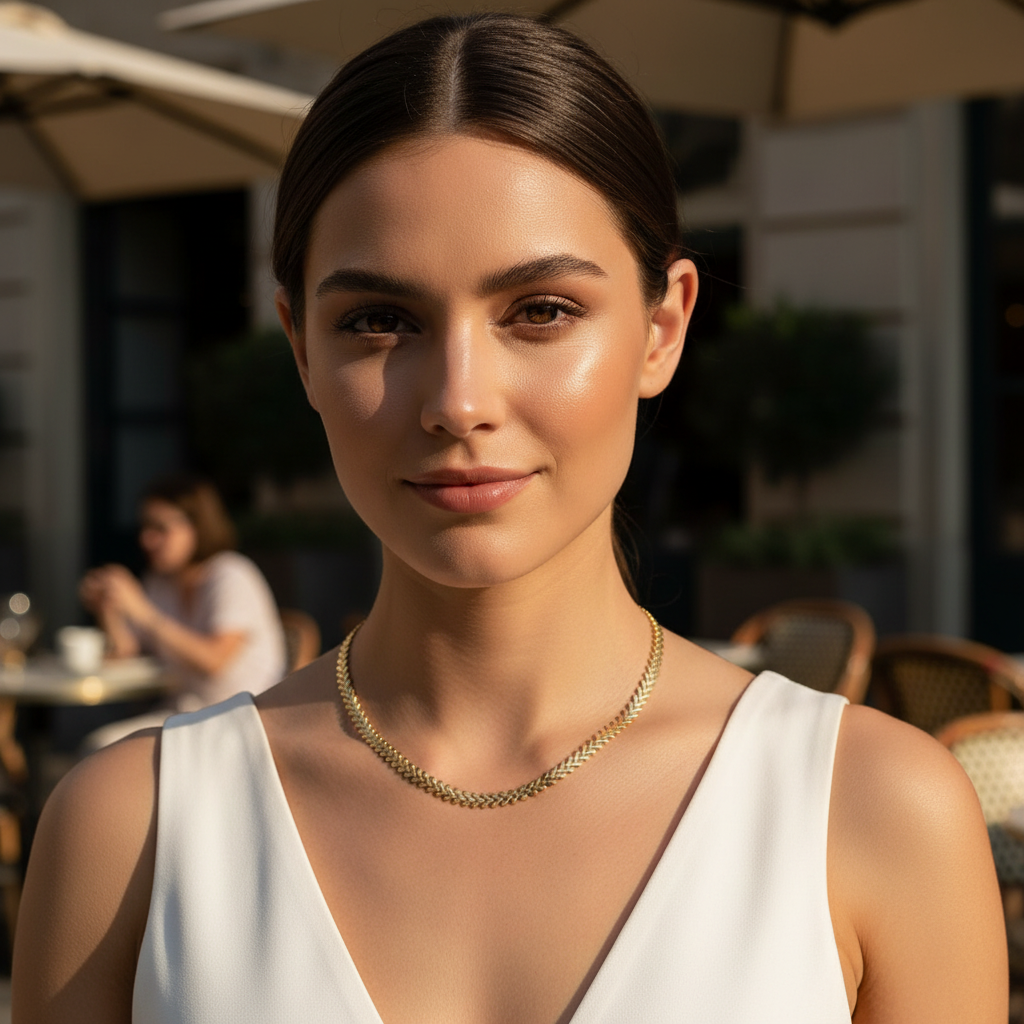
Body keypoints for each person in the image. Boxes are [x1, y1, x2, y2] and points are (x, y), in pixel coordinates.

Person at [12, 13, 1006, 1023]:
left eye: (540, 310)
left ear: (662, 327)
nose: (458, 397)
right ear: (300, 348)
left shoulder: (879, 811)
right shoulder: (126, 828)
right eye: (378, 320)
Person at [78, 475, 286, 746]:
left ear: (197, 527)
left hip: (241, 721)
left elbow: (214, 660)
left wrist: (142, 611)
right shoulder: (161, 583)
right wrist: (109, 609)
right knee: (100, 749)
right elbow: (126, 652)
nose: (147, 539)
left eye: (160, 528)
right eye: (144, 527)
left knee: (101, 749)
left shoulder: (231, 574)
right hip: (185, 715)